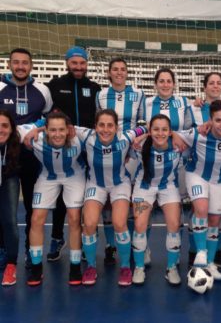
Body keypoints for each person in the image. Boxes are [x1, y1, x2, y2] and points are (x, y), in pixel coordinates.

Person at [178, 100, 221, 282]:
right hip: (197, 175)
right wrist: (173, 135)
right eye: (218, 120)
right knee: (201, 209)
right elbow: (173, 134)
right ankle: (200, 253)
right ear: (210, 119)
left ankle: (208, 263)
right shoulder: (197, 133)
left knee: (215, 219)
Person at [45, 46, 101, 262]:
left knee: (89, 194)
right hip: (62, 147)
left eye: (82, 63)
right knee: (61, 195)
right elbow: (46, 113)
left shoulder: (94, 88)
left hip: (87, 149)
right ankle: (57, 237)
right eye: (74, 63)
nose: (79, 67)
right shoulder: (55, 86)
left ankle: (90, 236)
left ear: (87, 64)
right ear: (67, 63)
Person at [79, 109, 147, 286]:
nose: (105, 129)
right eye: (101, 125)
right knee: (90, 224)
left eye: (110, 125)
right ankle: (91, 267)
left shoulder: (125, 138)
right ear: (95, 127)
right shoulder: (87, 136)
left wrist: (142, 136)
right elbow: (65, 126)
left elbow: (146, 127)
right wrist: (37, 129)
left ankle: (125, 267)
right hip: (95, 184)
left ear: (117, 128)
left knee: (119, 223)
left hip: (119, 184)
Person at [0, 48, 52, 268]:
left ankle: (32, 251)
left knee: (33, 209)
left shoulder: (42, 90)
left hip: (33, 158)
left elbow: (50, 117)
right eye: (16, 62)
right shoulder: (1, 87)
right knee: (8, 213)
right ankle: (6, 251)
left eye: (25, 63)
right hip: (6, 160)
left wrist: (36, 128)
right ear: (10, 64)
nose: (20, 66)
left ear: (31, 66)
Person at [20, 112, 86, 286]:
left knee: (74, 218)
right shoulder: (36, 137)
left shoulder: (78, 135)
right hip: (47, 176)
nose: (57, 134)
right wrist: (36, 128)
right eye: (53, 130)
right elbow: (11, 130)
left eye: (61, 130)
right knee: (36, 219)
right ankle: (36, 268)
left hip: (74, 176)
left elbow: (105, 134)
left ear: (69, 129)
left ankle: (75, 266)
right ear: (46, 131)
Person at [96, 58, 144, 265]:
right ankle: (110, 246)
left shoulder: (138, 94)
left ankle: (133, 244)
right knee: (108, 201)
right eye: (115, 69)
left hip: (131, 152)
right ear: (109, 73)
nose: (119, 72)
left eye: (123, 69)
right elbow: (98, 124)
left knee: (131, 199)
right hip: (107, 151)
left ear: (127, 72)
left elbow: (142, 123)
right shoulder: (101, 95)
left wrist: (132, 144)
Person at [131, 114, 182, 285]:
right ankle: (139, 268)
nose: (160, 133)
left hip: (168, 187)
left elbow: (199, 133)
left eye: (164, 130)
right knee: (139, 224)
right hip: (144, 187)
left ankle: (171, 268)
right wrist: (141, 135)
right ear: (150, 131)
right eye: (156, 129)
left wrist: (176, 136)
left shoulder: (178, 146)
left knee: (174, 224)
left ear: (170, 132)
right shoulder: (138, 146)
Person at [184, 72, 221, 267]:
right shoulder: (194, 109)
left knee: (218, 212)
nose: (215, 86)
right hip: (198, 166)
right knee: (198, 209)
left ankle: (214, 252)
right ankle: (195, 251)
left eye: (219, 83)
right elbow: (185, 133)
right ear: (205, 86)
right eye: (212, 83)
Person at [0, 110, 21, 286]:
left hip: (9, 180)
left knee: (10, 221)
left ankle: (11, 264)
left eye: (5, 126)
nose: (1, 129)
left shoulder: (17, 145)